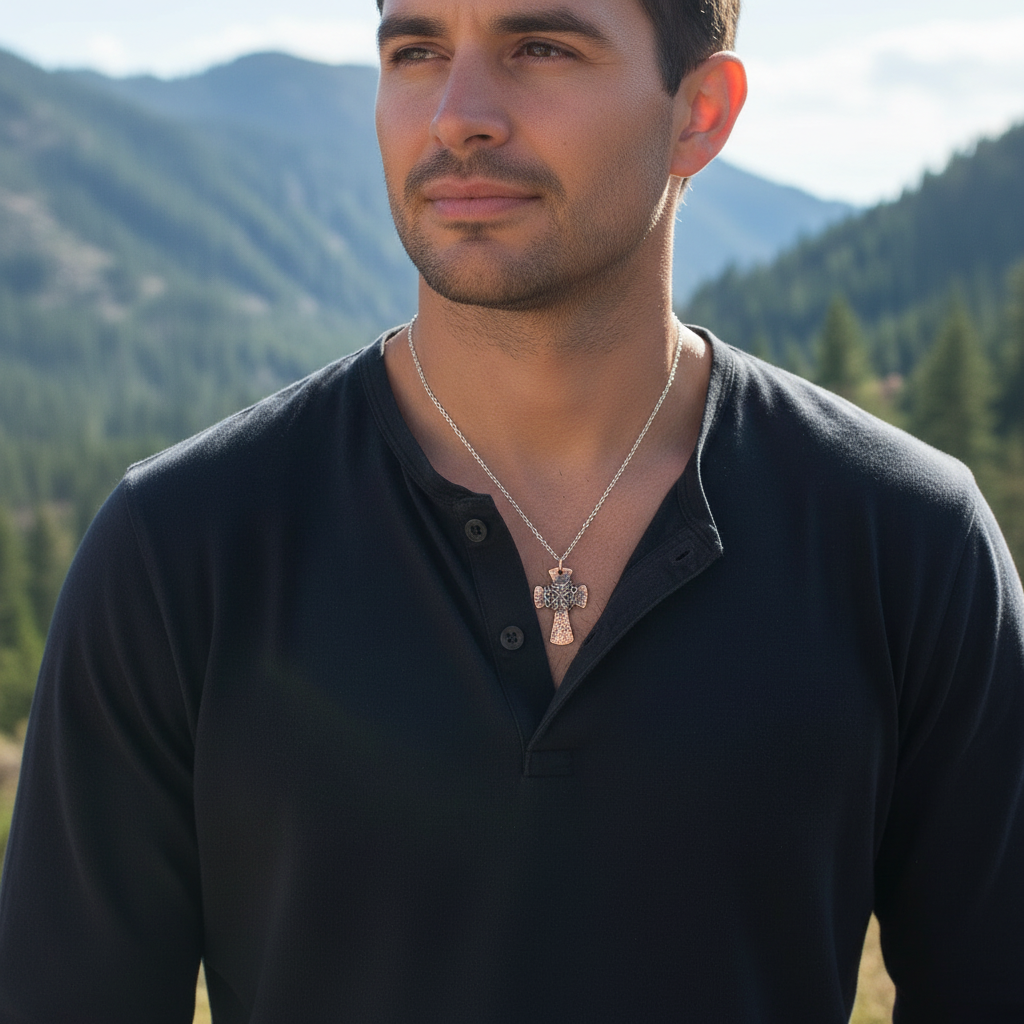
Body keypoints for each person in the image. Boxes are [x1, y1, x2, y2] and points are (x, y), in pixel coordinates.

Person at [1, 0, 1022, 1020]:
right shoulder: (181, 546)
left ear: (699, 113)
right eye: (416, 51)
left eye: (540, 47)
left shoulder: (906, 541)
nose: (456, 115)